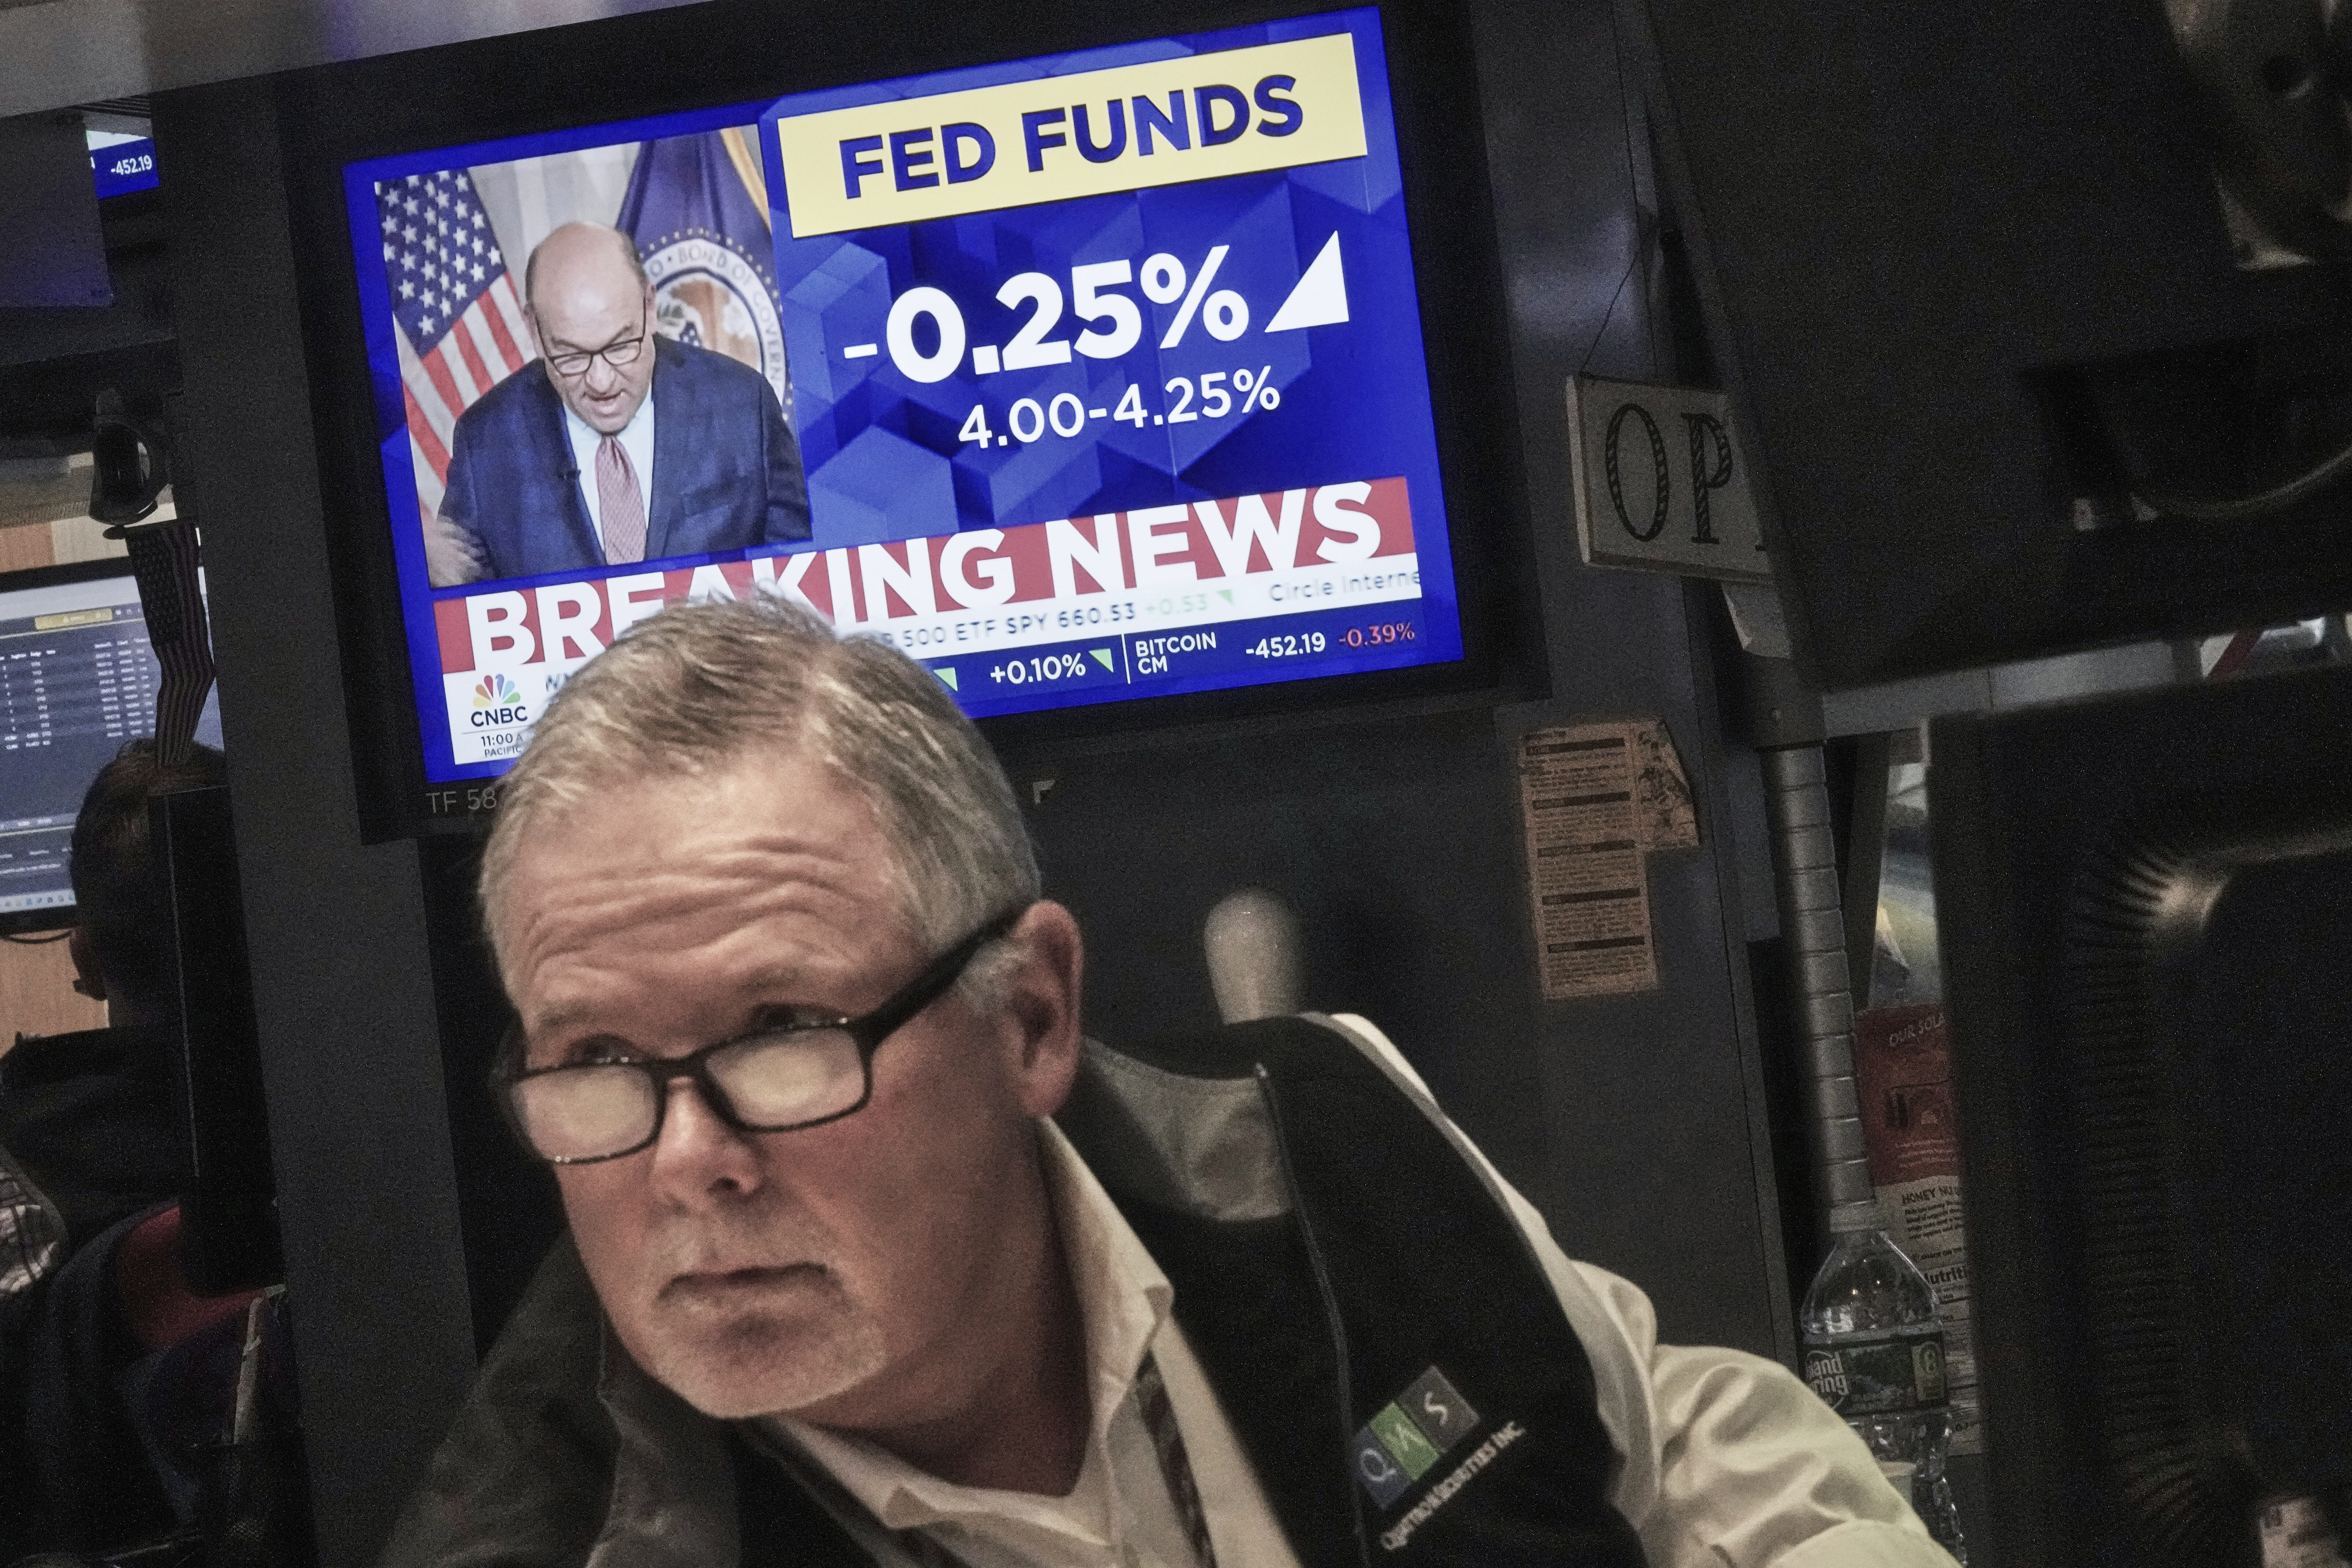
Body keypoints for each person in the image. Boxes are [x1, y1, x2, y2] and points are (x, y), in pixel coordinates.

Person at [381, 596, 1958, 1568]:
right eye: (597, 1059)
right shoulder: (555, 1536)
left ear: (1029, 1016)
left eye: (781, 1029)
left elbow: (1660, 1446)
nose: (686, 1158)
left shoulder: (1309, 1132)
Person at [426, 221, 811, 586]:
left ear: (650, 306)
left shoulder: (744, 405)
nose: (601, 382)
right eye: (571, 355)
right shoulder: (485, 441)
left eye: (621, 346)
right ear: (535, 330)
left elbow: (801, 576)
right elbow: (460, 611)